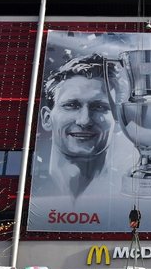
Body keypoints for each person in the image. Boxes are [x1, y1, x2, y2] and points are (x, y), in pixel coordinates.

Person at [38, 54, 116, 199]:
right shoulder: (29, 191)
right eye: (71, 105)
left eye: (99, 107)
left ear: (119, 119)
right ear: (47, 118)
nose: (84, 120)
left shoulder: (134, 194)